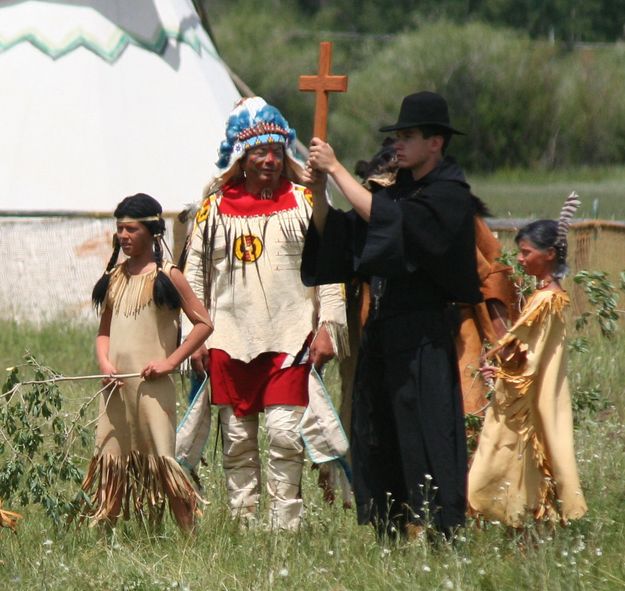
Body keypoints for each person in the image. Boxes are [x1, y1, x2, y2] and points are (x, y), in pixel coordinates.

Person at [301, 91, 482, 538]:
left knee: (429, 434)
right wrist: (319, 194)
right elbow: (350, 234)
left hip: (424, 336)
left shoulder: (449, 195)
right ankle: (389, 528)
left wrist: (338, 168)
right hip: (383, 333)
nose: (398, 144)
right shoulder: (401, 191)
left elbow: (394, 225)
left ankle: (444, 533)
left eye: (408, 136)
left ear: (436, 142)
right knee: (378, 434)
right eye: (396, 136)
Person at [182, 97, 348, 530]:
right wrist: (192, 339)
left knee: (284, 435)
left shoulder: (303, 202)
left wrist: (329, 325)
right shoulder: (213, 209)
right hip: (229, 339)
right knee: (237, 441)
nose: (270, 160)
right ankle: (243, 525)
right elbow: (193, 278)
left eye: (277, 151)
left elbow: (329, 269)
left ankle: (284, 528)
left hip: (291, 338)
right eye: (260, 152)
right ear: (241, 154)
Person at [79, 193, 213, 531]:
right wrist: (104, 363)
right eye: (120, 229)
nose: (123, 236)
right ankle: (104, 539)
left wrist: (170, 363)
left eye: (131, 229)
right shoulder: (115, 276)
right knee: (112, 460)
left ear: (152, 232)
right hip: (116, 388)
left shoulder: (168, 276)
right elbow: (104, 332)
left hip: (154, 390)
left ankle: (189, 539)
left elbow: (204, 324)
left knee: (162, 463)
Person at [468, 195, 588, 527]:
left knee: (501, 465)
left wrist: (505, 371)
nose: (519, 259)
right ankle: (527, 534)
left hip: (526, 402)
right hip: (530, 397)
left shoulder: (545, 301)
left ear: (549, 255)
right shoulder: (548, 297)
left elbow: (531, 358)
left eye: (526, 253)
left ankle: (528, 534)